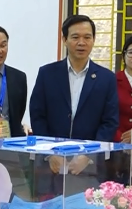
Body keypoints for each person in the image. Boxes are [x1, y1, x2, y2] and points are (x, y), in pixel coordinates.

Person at [29, 15, 118, 195]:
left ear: (93, 40)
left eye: (87, 37)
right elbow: (38, 115)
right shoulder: (47, 73)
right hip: (51, 165)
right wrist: (50, 153)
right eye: (75, 37)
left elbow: (110, 122)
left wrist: (89, 155)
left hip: (89, 168)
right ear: (64, 39)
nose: (81, 43)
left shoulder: (106, 78)